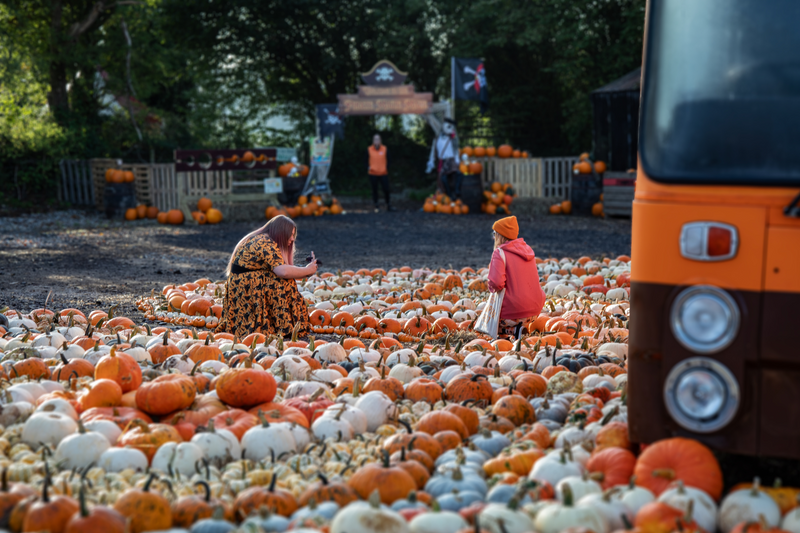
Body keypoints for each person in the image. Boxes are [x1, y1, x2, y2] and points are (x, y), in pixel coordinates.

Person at [216, 215, 316, 338]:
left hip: (243, 283)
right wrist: (306, 270)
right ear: (280, 232)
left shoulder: (262, 239)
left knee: (283, 279)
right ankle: (283, 326)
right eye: (289, 234)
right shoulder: (265, 242)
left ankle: (278, 325)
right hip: (245, 286)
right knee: (283, 282)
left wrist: (307, 271)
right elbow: (282, 271)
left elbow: (284, 269)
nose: (292, 239)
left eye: (293, 235)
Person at [487, 216, 546, 338]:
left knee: (489, 321)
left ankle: (513, 332)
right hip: (535, 310)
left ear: (500, 235)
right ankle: (518, 330)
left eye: (494, 234)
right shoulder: (528, 250)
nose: (493, 238)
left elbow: (496, 283)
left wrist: (491, 289)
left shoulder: (499, 253)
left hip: (513, 312)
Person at [426, 118, 463, 199]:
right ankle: (448, 195)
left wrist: (457, 160)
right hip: (443, 161)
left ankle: (457, 191)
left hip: (451, 160)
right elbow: (433, 151)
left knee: (458, 174)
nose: (451, 129)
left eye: (452, 127)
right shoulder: (437, 139)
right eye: (449, 127)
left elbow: (456, 150)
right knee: (443, 178)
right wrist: (431, 162)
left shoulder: (453, 139)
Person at [367, 134, 394, 212]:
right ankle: (376, 206)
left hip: (383, 173)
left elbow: (389, 160)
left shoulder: (385, 149)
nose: (376, 141)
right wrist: (369, 167)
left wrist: (386, 168)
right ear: (373, 141)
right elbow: (365, 161)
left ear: (380, 141)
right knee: (375, 190)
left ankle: (388, 205)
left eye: (378, 139)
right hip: (373, 173)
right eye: (375, 139)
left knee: (386, 189)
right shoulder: (369, 149)